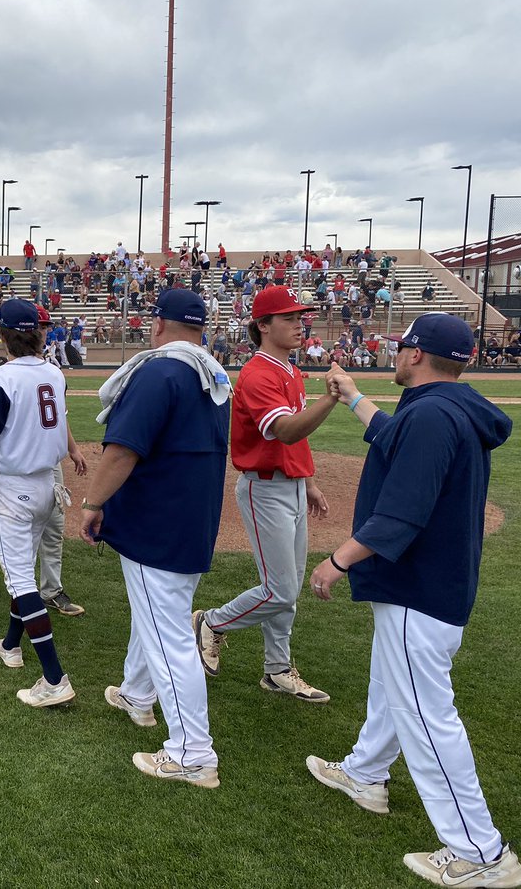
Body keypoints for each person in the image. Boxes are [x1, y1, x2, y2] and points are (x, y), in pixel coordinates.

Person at [307, 313, 519, 889]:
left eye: (401, 347)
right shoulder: (446, 408)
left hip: (418, 587)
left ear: (416, 354)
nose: (395, 354)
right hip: (437, 583)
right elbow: (393, 436)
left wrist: (337, 561)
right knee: (390, 685)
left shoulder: (429, 415)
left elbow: (399, 515)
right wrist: (353, 397)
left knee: (427, 716)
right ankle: (365, 774)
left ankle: (481, 852)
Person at [82, 289, 231, 788]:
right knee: (155, 617)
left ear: (159, 324)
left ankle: (192, 753)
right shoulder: (211, 373)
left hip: (156, 523)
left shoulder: (160, 371)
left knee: (169, 638)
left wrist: (92, 503)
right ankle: (135, 694)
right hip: (190, 518)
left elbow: (123, 451)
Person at [194, 285, 338, 704]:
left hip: (290, 486)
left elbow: (296, 440)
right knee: (281, 590)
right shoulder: (257, 373)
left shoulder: (290, 370)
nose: (299, 324)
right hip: (264, 490)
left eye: (300, 317)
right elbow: (287, 429)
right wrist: (333, 397)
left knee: (285, 588)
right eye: (289, 318)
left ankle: (277, 670)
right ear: (263, 325)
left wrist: (307, 481)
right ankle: (211, 623)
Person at [0, 299, 83, 706]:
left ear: (3, 334)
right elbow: (59, 420)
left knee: (21, 579)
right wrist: (74, 450)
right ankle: (10, 645)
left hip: (16, 489)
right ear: (39, 332)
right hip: (48, 485)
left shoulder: (1, 377)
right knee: (21, 567)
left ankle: (54, 679)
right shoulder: (54, 373)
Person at [0, 305, 87, 617]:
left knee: (53, 527)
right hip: (19, 468)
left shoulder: (52, 373)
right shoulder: (8, 376)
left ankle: (50, 591)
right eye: (39, 326)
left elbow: (59, 419)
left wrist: (73, 448)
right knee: (17, 528)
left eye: (45, 325)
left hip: (46, 463)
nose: (43, 331)